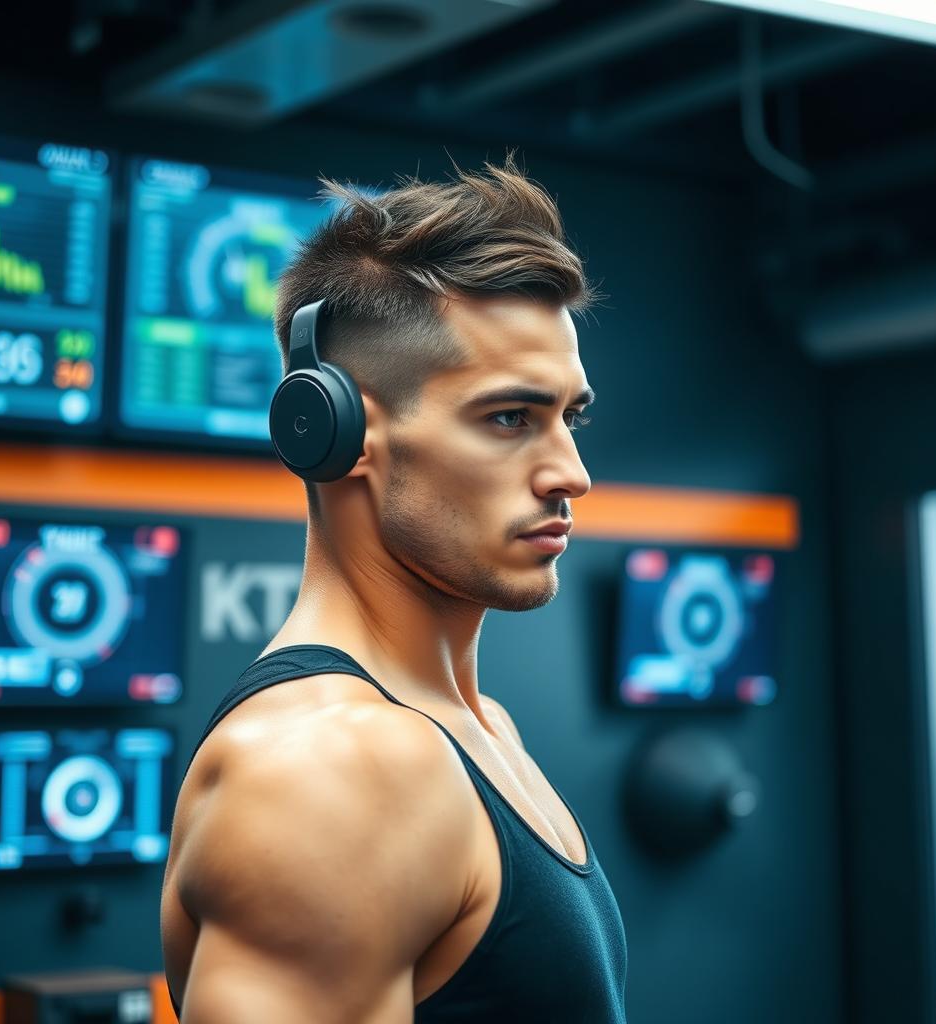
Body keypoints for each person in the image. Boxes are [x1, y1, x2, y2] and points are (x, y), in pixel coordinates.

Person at [160, 154, 628, 1022]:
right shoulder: (332, 770)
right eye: (509, 418)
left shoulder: (478, 730)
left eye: (572, 417)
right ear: (334, 431)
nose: (571, 472)